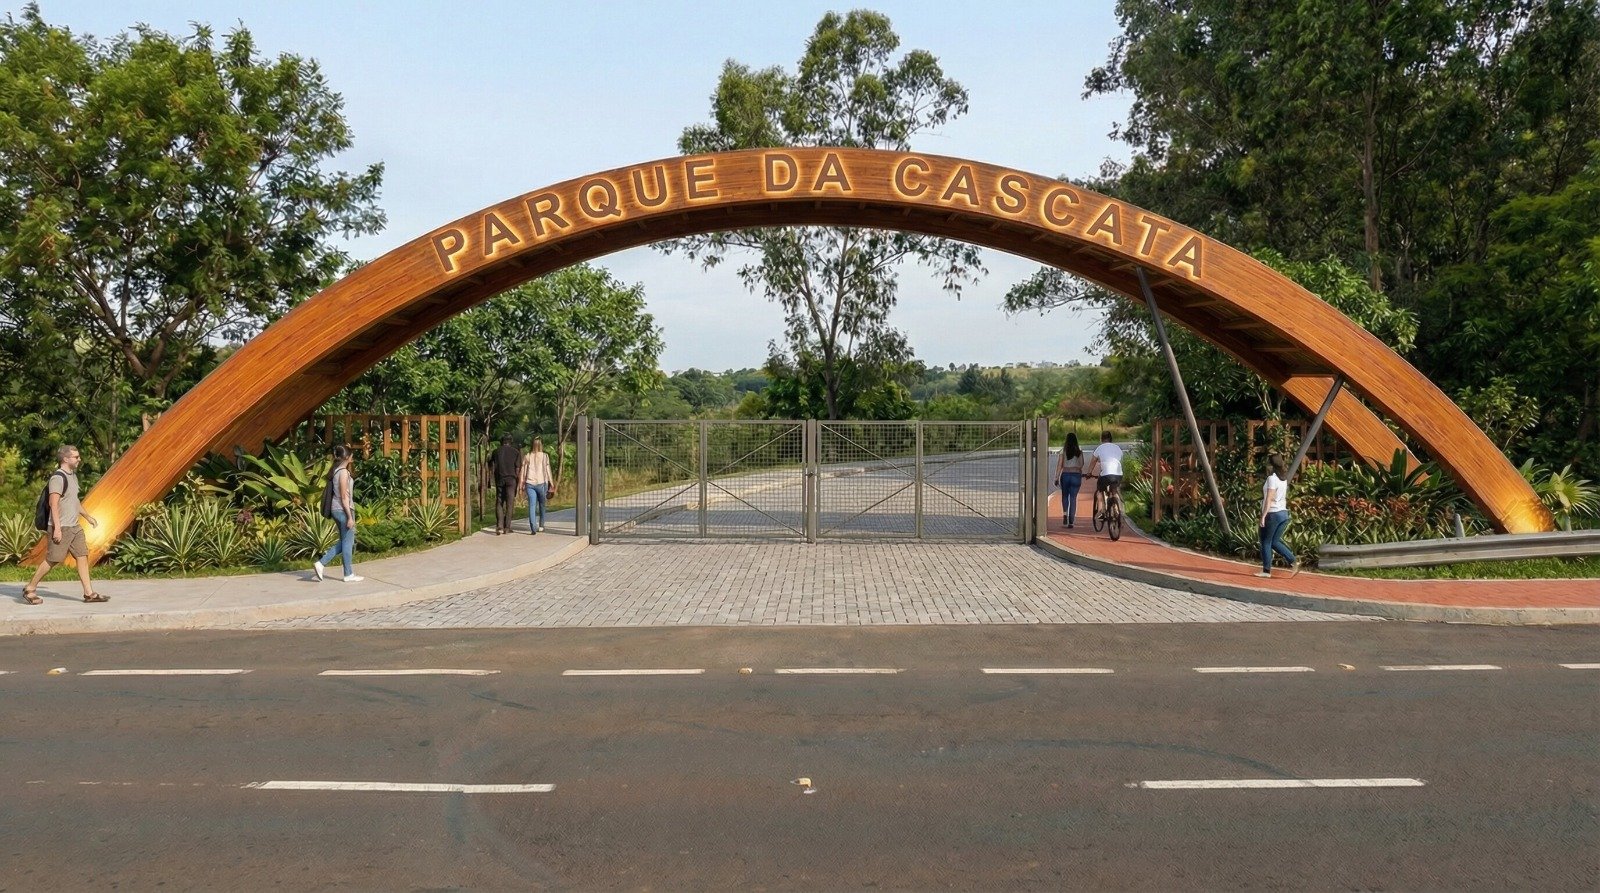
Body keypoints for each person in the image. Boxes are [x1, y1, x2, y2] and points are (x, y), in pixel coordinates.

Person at [20, 445, 106, 604]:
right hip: (61, 527)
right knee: (53, 560)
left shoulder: (72, 476)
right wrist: (57, 529)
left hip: (75, 527)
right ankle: (30, 588)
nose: (79, 459)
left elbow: (74, 501)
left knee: (82, 556)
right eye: (76, 457)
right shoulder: (58, 478)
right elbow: (53, 504)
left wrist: (87, 516)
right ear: (66, 459)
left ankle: (89, 593)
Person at [313, 445, 362, 583]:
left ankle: (321, 563)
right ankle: (347, 574)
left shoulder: (336, 471)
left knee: (346, 541)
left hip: (336, 509)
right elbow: (344, 496)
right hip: (343, 509)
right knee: (348, 542)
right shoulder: (343, 472)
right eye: (351, 454)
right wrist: (349, 516)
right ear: (346, 457)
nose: (352, 456)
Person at [1257, 454, 1298, 578]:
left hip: (1273, 513)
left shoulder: (1272, 479)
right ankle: (1294, 561)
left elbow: (1269, 498)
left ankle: (1266, 571)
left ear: (1271, 465)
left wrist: (1263, 516)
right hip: (1283, 514)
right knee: (1274, 541)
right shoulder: (1283, 478)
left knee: (1265, 541)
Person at [520, 437, 554, 534]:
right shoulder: (545, 456)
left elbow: (523, 471)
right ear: (541, 445)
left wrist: (521, 483)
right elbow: (548, 470)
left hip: (530, 483)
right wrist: (552, 483)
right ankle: (541, 525)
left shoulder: (527, 456)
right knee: (542, 505)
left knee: (532, 505)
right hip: (542, 483)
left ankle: (533, 527)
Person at [1085, 430, 1124, 515]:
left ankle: (1102, 509)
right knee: (1114, 490)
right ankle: (1118, 509)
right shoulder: (1117, 448)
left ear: (1101, 439)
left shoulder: (1099, 448)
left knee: (1100, 490)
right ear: (1111, 439)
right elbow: (1120, 459)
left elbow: (1093, 462)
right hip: (1118, 474)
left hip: (1106, 475)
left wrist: (1089, 473)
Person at [491, 435, 522, 535]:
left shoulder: (496, 452)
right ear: (510, 442)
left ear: (501, 442)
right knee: (510, 503)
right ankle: (507, 528)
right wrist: (517, 481)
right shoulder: (516, 452)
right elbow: (517, 468)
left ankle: (499, 526)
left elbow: (492, 465)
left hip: (500, 479)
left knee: (499, 501)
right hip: (511, 480)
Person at [1055, 431, 1085, 528]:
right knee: (1073, 498)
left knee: (1065, 496)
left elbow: (1059, 465)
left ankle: (1065, 514)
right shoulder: (1079, 451)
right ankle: (1071, 521)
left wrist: (1056, 477)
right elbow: (1081, 464)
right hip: (1076, 475)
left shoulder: (1063, 451)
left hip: (1065, 475)